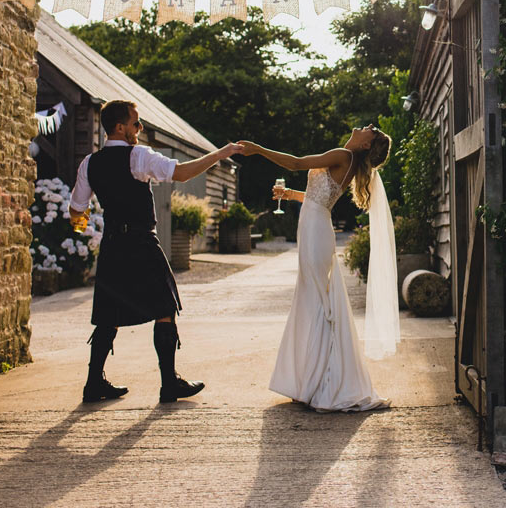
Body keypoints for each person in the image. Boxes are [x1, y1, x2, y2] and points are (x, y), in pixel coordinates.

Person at [69, 99, 238, 403]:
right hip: (142, 243)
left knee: (108, 314)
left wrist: (83, 231)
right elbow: (183, 173)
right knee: (164, 308)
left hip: (111, 245)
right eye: (136, 122)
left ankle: (93, 384)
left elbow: (76, 209)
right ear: (120, 127)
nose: (140, 127)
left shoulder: (89, 163)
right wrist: (223, 153)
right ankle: (169, 384)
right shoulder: (139, 156)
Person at [237, 125, 400, 412]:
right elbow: (319, 198)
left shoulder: (342, 155)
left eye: (371, 130)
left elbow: (297, 163)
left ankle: (316, 381)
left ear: (365, 145)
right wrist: (290, 195)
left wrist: (259, 150)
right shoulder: (348, 161)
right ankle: (309, 379)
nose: (365, 126)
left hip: (315, 232)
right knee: (313, 300)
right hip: (314, 226)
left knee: (315, 302)